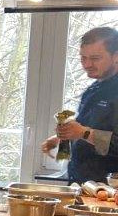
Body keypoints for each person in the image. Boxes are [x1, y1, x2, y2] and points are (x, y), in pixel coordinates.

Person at [42, 26, 118, 184]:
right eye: (83, 58)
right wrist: (60, 137)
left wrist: (82, 132)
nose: (87, 64)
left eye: (95, 58)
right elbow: (87, 128)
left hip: (107, 190)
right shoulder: (93, 89)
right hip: (81, 184)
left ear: (116, 56)